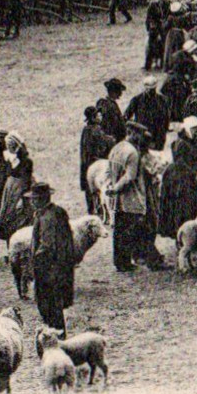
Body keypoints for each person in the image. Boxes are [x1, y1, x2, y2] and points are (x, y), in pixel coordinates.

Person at [109, 121, 164, 272]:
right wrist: (116, 188)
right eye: (139, 134)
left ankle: (121, 262)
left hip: (119, 200)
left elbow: (110, 170)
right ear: (132, 133)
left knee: (120, 230)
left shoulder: (116, 148)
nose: (140, 138)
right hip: (133, 198)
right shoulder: (132, 153)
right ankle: (151, 260)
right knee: (139, 229)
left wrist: (112, 188)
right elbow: (130, 177)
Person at [30, 183, 78, 329]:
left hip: (48, 269)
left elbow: (47, 245)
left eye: (34, 199)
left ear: (41, 199)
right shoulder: (58, 211)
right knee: (56, 305)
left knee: (49, 307)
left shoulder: (46, 218)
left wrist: (33, 263)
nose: (32, 202)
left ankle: (57, 339)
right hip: (62, 266)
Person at [0, 133, 35, 245]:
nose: (9, 148)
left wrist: (22, 197)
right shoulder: (8, 159)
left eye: (11, 145)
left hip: (21, 191)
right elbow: (3, 176)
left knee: (22, 217)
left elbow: (26, 181)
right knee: (9, 218)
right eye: (7, 146)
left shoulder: (26, 161)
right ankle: (11, 245)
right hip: (10, 192)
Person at [78, 106, 115, 217]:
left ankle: (92, 210)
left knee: (90, 190)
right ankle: (101, 212)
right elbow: (103, 146)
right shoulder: (96, 130)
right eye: (98, 115)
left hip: (87, 163)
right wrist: (112, 140)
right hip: (96, 163)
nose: (100, 116)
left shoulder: (86, 130)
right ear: (93, 117)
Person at [95, 79, 126, 146]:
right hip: (111, 139)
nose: (120, 94)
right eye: (118, 92)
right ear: (113, 92)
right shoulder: (109, 105)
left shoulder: (102, 103)